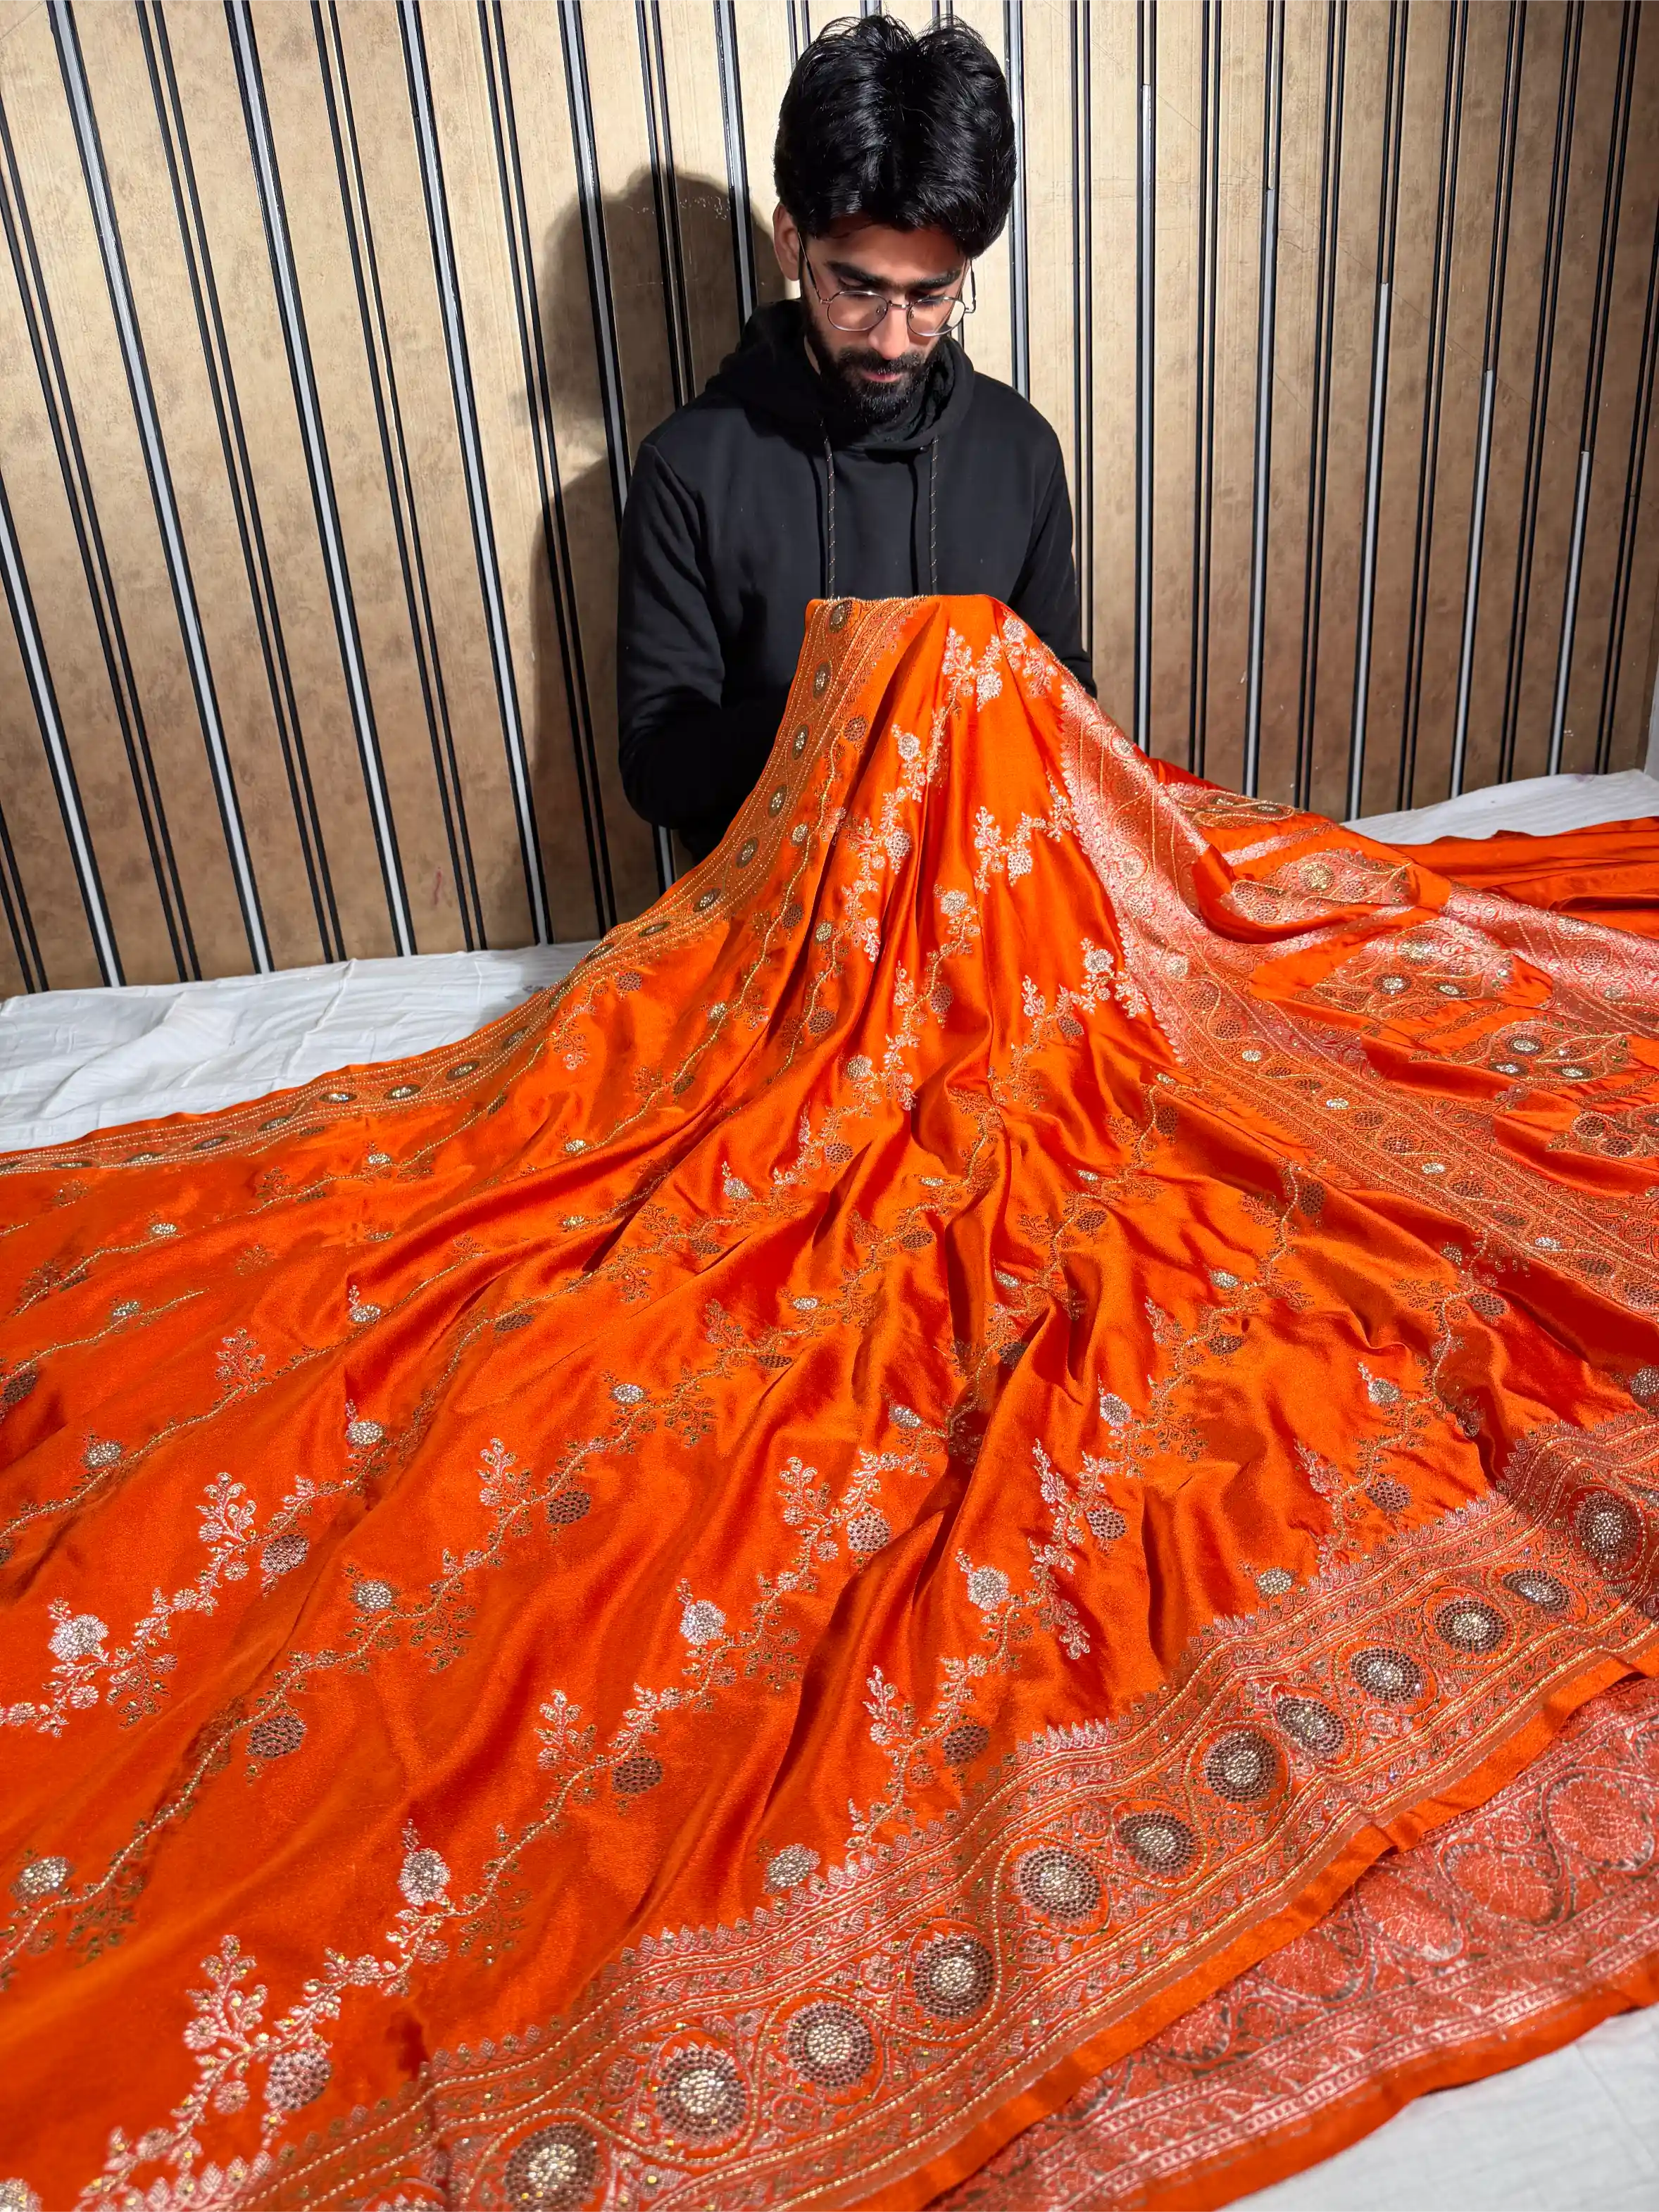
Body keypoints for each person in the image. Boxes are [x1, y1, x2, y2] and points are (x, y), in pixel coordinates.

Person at [617, 14, 1095, 862]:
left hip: (979, 894)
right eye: (857, 289)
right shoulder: (687, 468)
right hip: (779, 908)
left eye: (930, 297)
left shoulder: (1020, 450)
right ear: (792, 242)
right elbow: (658, 770)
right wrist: (861, 691)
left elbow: (1065, 713)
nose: (889, 337)